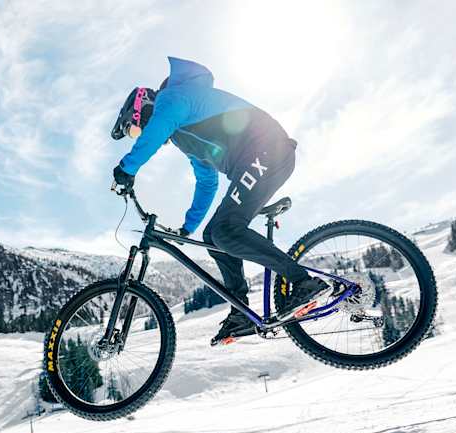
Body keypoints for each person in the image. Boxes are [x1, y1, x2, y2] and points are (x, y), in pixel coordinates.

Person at [111, 57, 329, 344]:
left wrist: (126, 169)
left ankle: (303, 281)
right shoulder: (184, 135)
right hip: (261, 159)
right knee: (213, 236)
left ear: (144, 107)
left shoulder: (173, 98)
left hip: (268, 150)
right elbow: (207, 181)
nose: (138, 135)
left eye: (135, 129)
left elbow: (154, 132)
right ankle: (240, 312)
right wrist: (187, 228)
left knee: (226, 230)